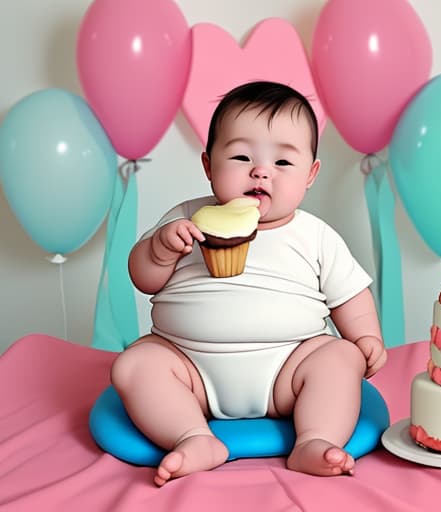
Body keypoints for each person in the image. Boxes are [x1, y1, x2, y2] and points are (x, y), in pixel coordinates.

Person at [111, 81, 387, 486]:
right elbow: (143, 279)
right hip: (190, 370)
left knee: (340, 357)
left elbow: (351, 296)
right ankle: (194, 436)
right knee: (134, 364)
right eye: (241, 156)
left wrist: (366, 338)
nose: (260, 171)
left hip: (288, 372)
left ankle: (314, 439)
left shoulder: (315, 235)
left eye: (283, 163)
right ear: (208, 166)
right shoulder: (186, 218)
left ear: (310, 175)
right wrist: (159, 249)